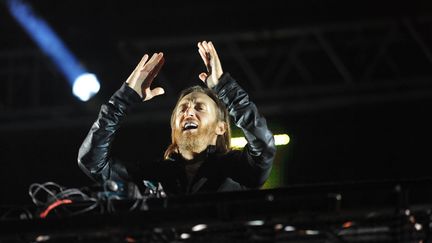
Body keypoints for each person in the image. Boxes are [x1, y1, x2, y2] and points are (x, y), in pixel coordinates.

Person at [78, 41, 276, 198]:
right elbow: (92, 163)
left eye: (200, 108)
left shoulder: (239, 169)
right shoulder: (153, 174)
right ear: (173, 127)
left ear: (221, 128)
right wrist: (124, 98)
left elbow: (264, 146)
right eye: (182, 109)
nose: (188, 113)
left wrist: (224, 86)